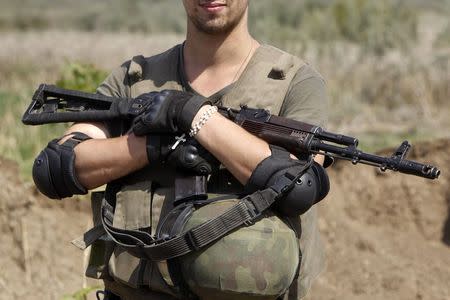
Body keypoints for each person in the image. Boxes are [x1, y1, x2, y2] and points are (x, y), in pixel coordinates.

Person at [33, 1, 329, 299]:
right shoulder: (134, 81)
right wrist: (153, 146)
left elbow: (299, 185)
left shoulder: (293, 83)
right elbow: (57, 167)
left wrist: (195, 116)